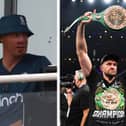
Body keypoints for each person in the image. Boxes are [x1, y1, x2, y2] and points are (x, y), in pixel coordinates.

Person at [76, 11, 126, 126]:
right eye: (108, 64)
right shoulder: (94, 79)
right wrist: (81, 25)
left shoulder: (123, 80)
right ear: (101, 67)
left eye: (114, 64)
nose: (112, 66)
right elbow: (81, 52)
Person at [0, 14, 51, 125]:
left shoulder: (40, 64)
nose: (22, 40)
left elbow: (51, 107)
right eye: (16, 35)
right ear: (1, 38)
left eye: (25, 35)